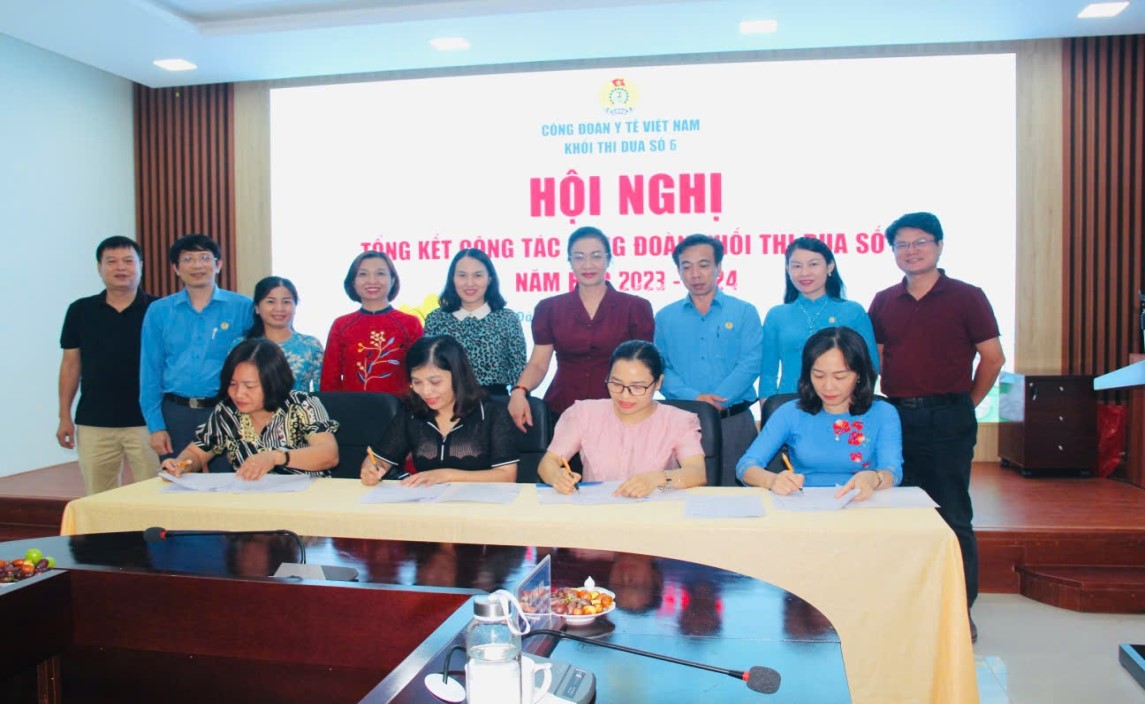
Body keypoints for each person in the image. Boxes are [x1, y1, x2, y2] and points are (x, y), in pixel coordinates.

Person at [867, 211, 1004, 639]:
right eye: (902, 245)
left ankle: (960, 611)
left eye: (920, 242)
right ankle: (909, 606)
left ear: (939, 245)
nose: (911, 251)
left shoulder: (967, 296)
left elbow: (993, 358)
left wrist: (966, 404)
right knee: (898, 512)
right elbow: (876, 361)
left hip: (949, 417)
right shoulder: (884, 301)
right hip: (896, 417)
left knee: (952, 513)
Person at [509, 226, 654, 431]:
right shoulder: (549, 308)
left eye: (596, 256)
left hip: (619, 412)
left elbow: (644, 367)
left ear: (608, 259)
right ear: (569, 262)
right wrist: (519, 390)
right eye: (578, 257)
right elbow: (539, 363)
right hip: (562, 411)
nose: (587, 265)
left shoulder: (635, 307)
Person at [737, 326, 902, 499]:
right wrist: (772, 480)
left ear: (859, 374)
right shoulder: (790, 412)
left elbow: (893, 471)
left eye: (840, 377)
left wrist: (875, 478)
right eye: (818, 376)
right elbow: (745, 466)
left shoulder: (883, 413)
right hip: (804, 504)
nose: (828, 386)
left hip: (863, 503)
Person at [140, 233, 253, 473]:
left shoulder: (243, 307)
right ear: (176, 268)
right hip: (175, 413)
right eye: (188, 259)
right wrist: (156, 426)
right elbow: (150, 370)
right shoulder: (159, 311)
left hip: (226, 410)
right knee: (176, 479)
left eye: (204, 258)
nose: (197, 265)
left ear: (218, 264)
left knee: (231, 483)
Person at [655, 234, 762, 486]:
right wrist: (695, 399)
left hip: (734, 421)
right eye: (686, 266)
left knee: (739, 497)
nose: (695, 274)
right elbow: (661, 368)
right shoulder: (665, 317)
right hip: (683, 423)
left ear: (718, 268)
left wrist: (717, 400)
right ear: (679, 271)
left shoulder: (744, 311)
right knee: (683, 495)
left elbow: (751, 362)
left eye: (703, 265)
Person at [537, 340, 706, 498]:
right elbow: (548, 463)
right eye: (617, 384)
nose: (625, 395)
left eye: (637, 387)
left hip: (656, 510)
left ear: (658, 383)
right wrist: (557, 477)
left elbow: (697, 473)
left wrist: (660, 481)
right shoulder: (584, 414)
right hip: (597, 510)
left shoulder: (678, 421)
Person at [58, 236, 159, 494]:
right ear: (99, 268)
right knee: (99, 496)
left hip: (148, 422)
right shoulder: (80, 310)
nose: (120, 267)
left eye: (128, 261)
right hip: (94, 421)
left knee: (155, 494)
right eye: (111, 261)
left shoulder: (159, 310)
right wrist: (64, 416)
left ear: (140, 266)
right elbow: (70, 366)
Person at [161, 338, 339, 479]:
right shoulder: (228, 411)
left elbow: (328, 454)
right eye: (232, 384)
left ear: (273, 383)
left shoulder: (302, 405)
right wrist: (181, 464)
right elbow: (197, 453)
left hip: (304, 499)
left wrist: (275, 457)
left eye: (250, 386)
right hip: (251, 499)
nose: (238, 394)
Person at [360, 335, 519, 486]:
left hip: (480, 503)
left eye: (435, 382)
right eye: (417, 382)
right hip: (428, 502)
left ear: (458, 376)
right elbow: (381, 458)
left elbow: (507, 476)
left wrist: (447, 475)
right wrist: (372, 468)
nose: (426, 391)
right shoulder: (412, 412)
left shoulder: (491, 414)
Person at [758, 237, 878, 401]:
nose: (804, 273)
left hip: (842, 404)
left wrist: (857, 402)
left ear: (830, 266)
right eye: (796, 266)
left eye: (813, 264)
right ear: (787, 269)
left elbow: (870, 365)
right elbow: (768, 372)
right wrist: (768, 407)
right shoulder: (777, 315)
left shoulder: (853, 311)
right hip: (790, 404)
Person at [424, 248, 526, 396]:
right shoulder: (436, 319)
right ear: (452, 279)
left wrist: (520, 396)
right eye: (462, 275)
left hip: (495, 403)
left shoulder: (507, 319)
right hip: (448, 403)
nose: (470, 283)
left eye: (478, 275)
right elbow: (428, 369)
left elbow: (519, 371)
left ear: (489, 279)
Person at [321, 251, 423, 395]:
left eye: (380, 273)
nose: (372, 280)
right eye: (363, 274)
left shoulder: (410, 324)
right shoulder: (341, 325)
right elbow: (329, 380)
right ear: (353, 282)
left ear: (393, 279)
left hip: (399, 408)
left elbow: (422, 372)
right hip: (352, 407)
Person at [238, 276, 324, 392]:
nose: (279, 308)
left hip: (299, 404)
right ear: (257, 308)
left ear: (295, 306)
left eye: (286, 302)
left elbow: (321, 392)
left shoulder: (311, 345)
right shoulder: (241, 345)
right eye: (271, 301)